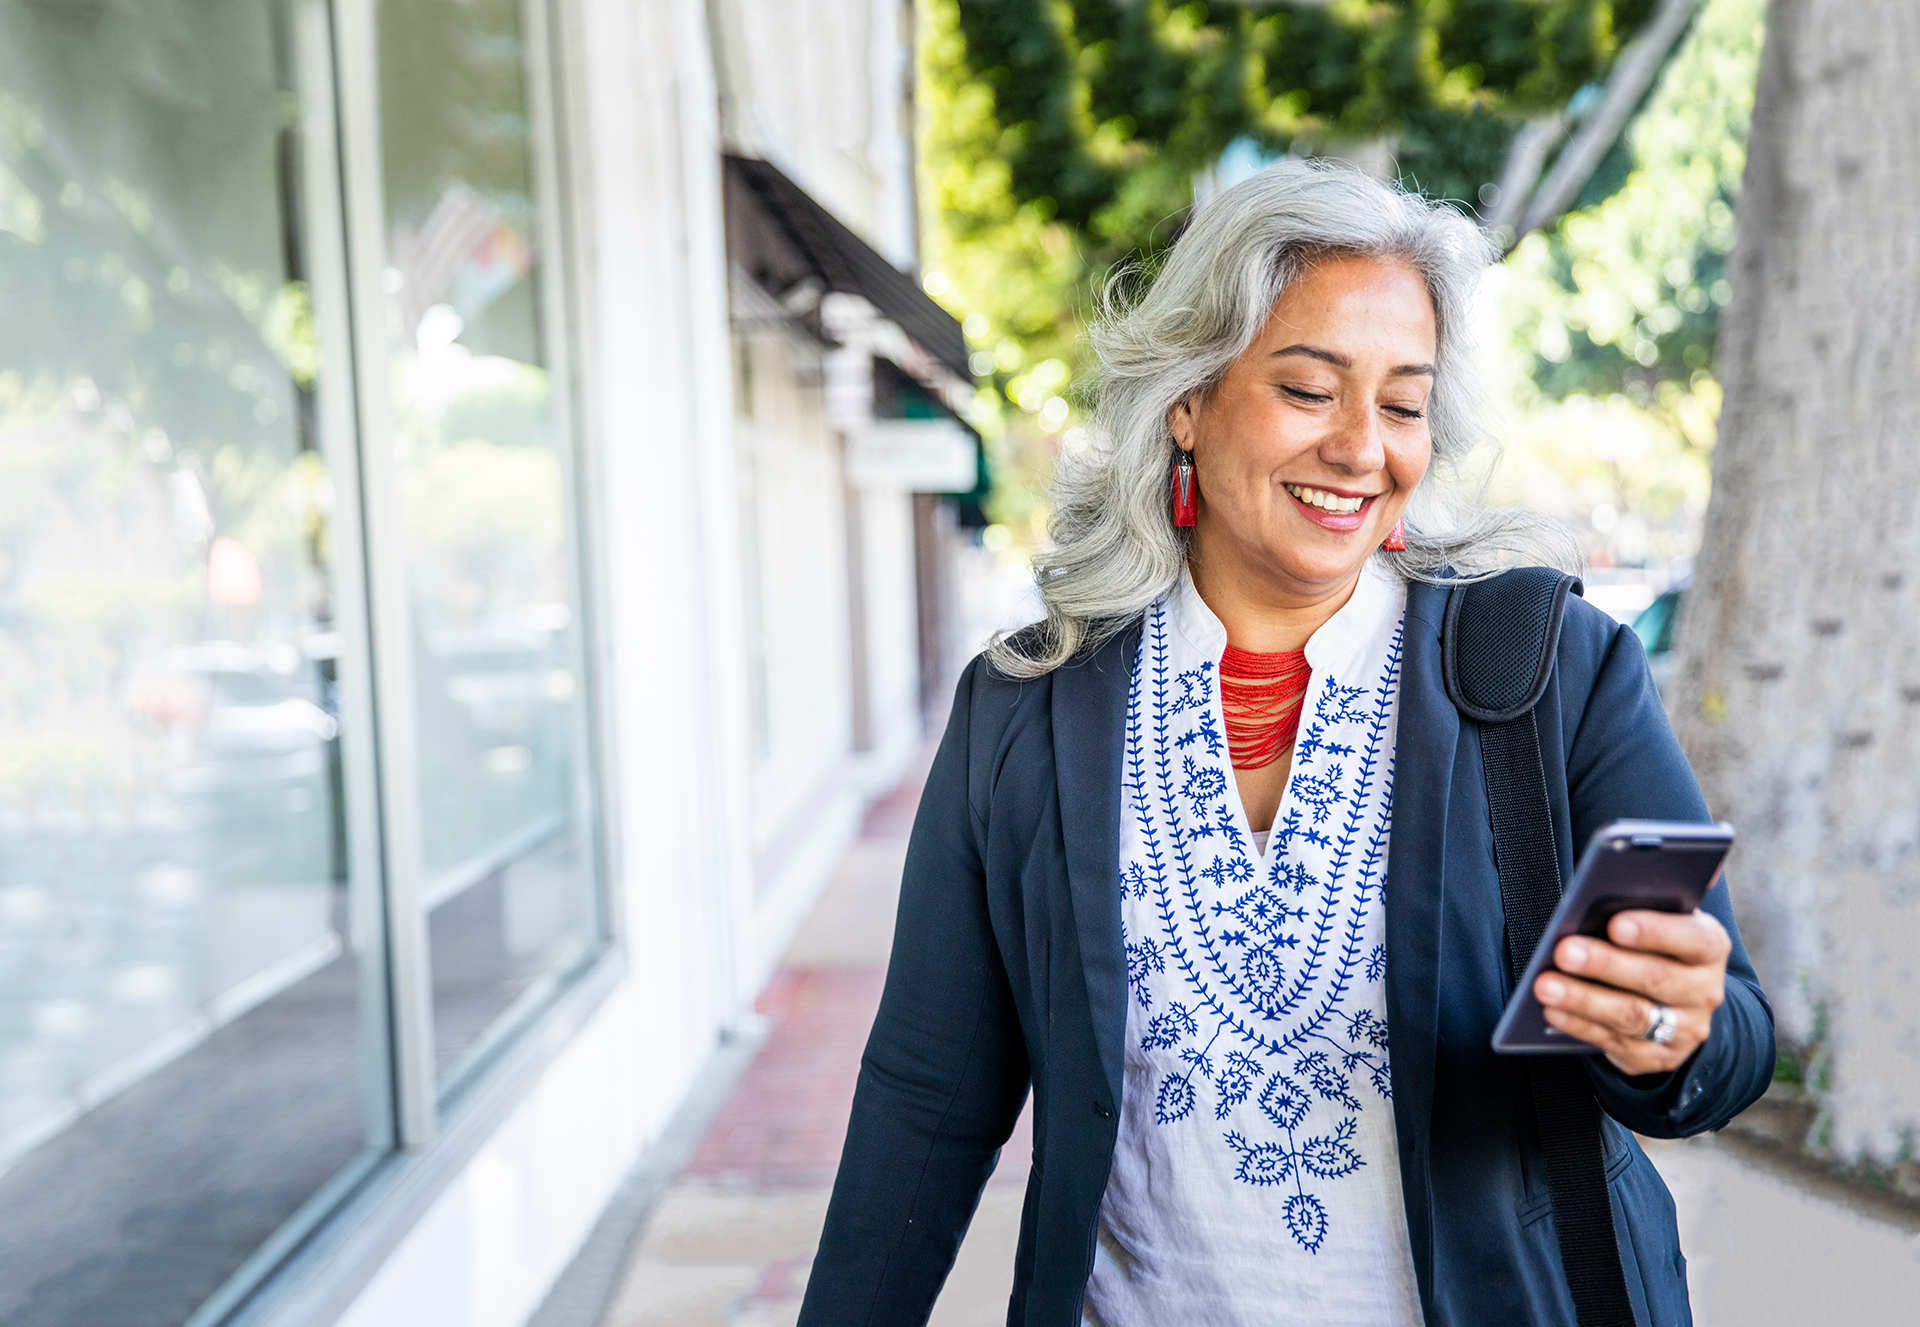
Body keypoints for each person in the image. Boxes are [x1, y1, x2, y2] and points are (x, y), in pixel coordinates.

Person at [797, 160, 1773, 1327]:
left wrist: (1668, 1026)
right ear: (1190, 401)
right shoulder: (1028, 709)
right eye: (1311, 389)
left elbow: (1727, 1045)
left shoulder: (1551, 670)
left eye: (1403, 404)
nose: (1364, 447)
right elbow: (928, 1095)